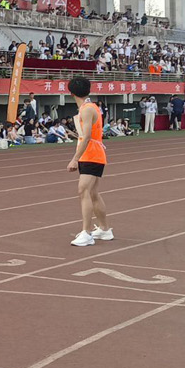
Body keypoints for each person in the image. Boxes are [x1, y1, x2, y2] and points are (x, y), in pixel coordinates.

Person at [66, 77, 112, 246]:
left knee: (83, 190)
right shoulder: (91, 107)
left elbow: (87, 137)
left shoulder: (86, 109)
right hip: (91, 153)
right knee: (92, 193)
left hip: (91, 154)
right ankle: (104, 229)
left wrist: (74, 159)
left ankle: (86, 232)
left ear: (71, 93)